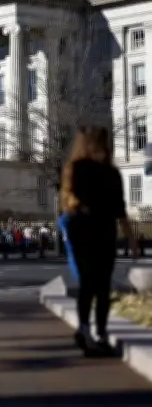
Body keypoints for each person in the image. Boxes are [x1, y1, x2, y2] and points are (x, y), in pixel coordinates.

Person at [59, 125, 138, 356]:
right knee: (103, 285)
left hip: (81, 229)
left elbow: (68, 200)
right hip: (104, 230)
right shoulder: (111, 172)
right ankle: (101, 332)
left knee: (87, 283)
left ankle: (85, 328)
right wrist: (131, 240)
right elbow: (120, 210)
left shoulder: (74, 168)